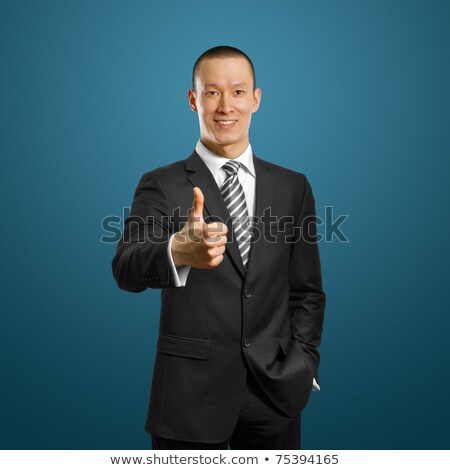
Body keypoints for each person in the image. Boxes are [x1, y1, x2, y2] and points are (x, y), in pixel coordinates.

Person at [111, 45, 326, 450]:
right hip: (188, 397)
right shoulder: (161, 183)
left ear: (256, 100)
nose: (226, 106)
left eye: (239, 92)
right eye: (211, 92)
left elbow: (307, 291)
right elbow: (125, 266)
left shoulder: (293, 186)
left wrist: (304, 364)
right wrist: (176, 250)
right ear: (193, 99)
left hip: (276, 393)